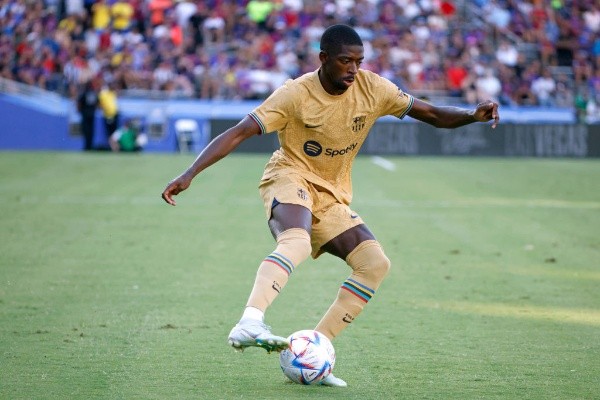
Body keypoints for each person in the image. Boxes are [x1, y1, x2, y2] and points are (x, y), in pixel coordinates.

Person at [161, 24, 499, 387]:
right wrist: (190, 172)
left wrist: (470, 115)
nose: (353, 69)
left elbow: (431, 114)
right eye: (345, 61)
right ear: (323, 59)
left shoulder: (374, 88)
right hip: (288, 176)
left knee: (374, 264)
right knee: (296, 242)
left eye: (359, 61)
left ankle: (314, 351)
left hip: (332, 193)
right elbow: (240, 131)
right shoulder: (295, 94)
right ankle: (250, 321)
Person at [77, 79, 99, 151]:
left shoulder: (84, 93)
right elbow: (97, 103)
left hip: (85, 114)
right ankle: (90, 146)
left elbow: (79, 103)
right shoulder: (93, 93)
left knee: (86, 131)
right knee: (91, 131)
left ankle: (86, 146)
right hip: (91, 114)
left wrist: (80, 111)